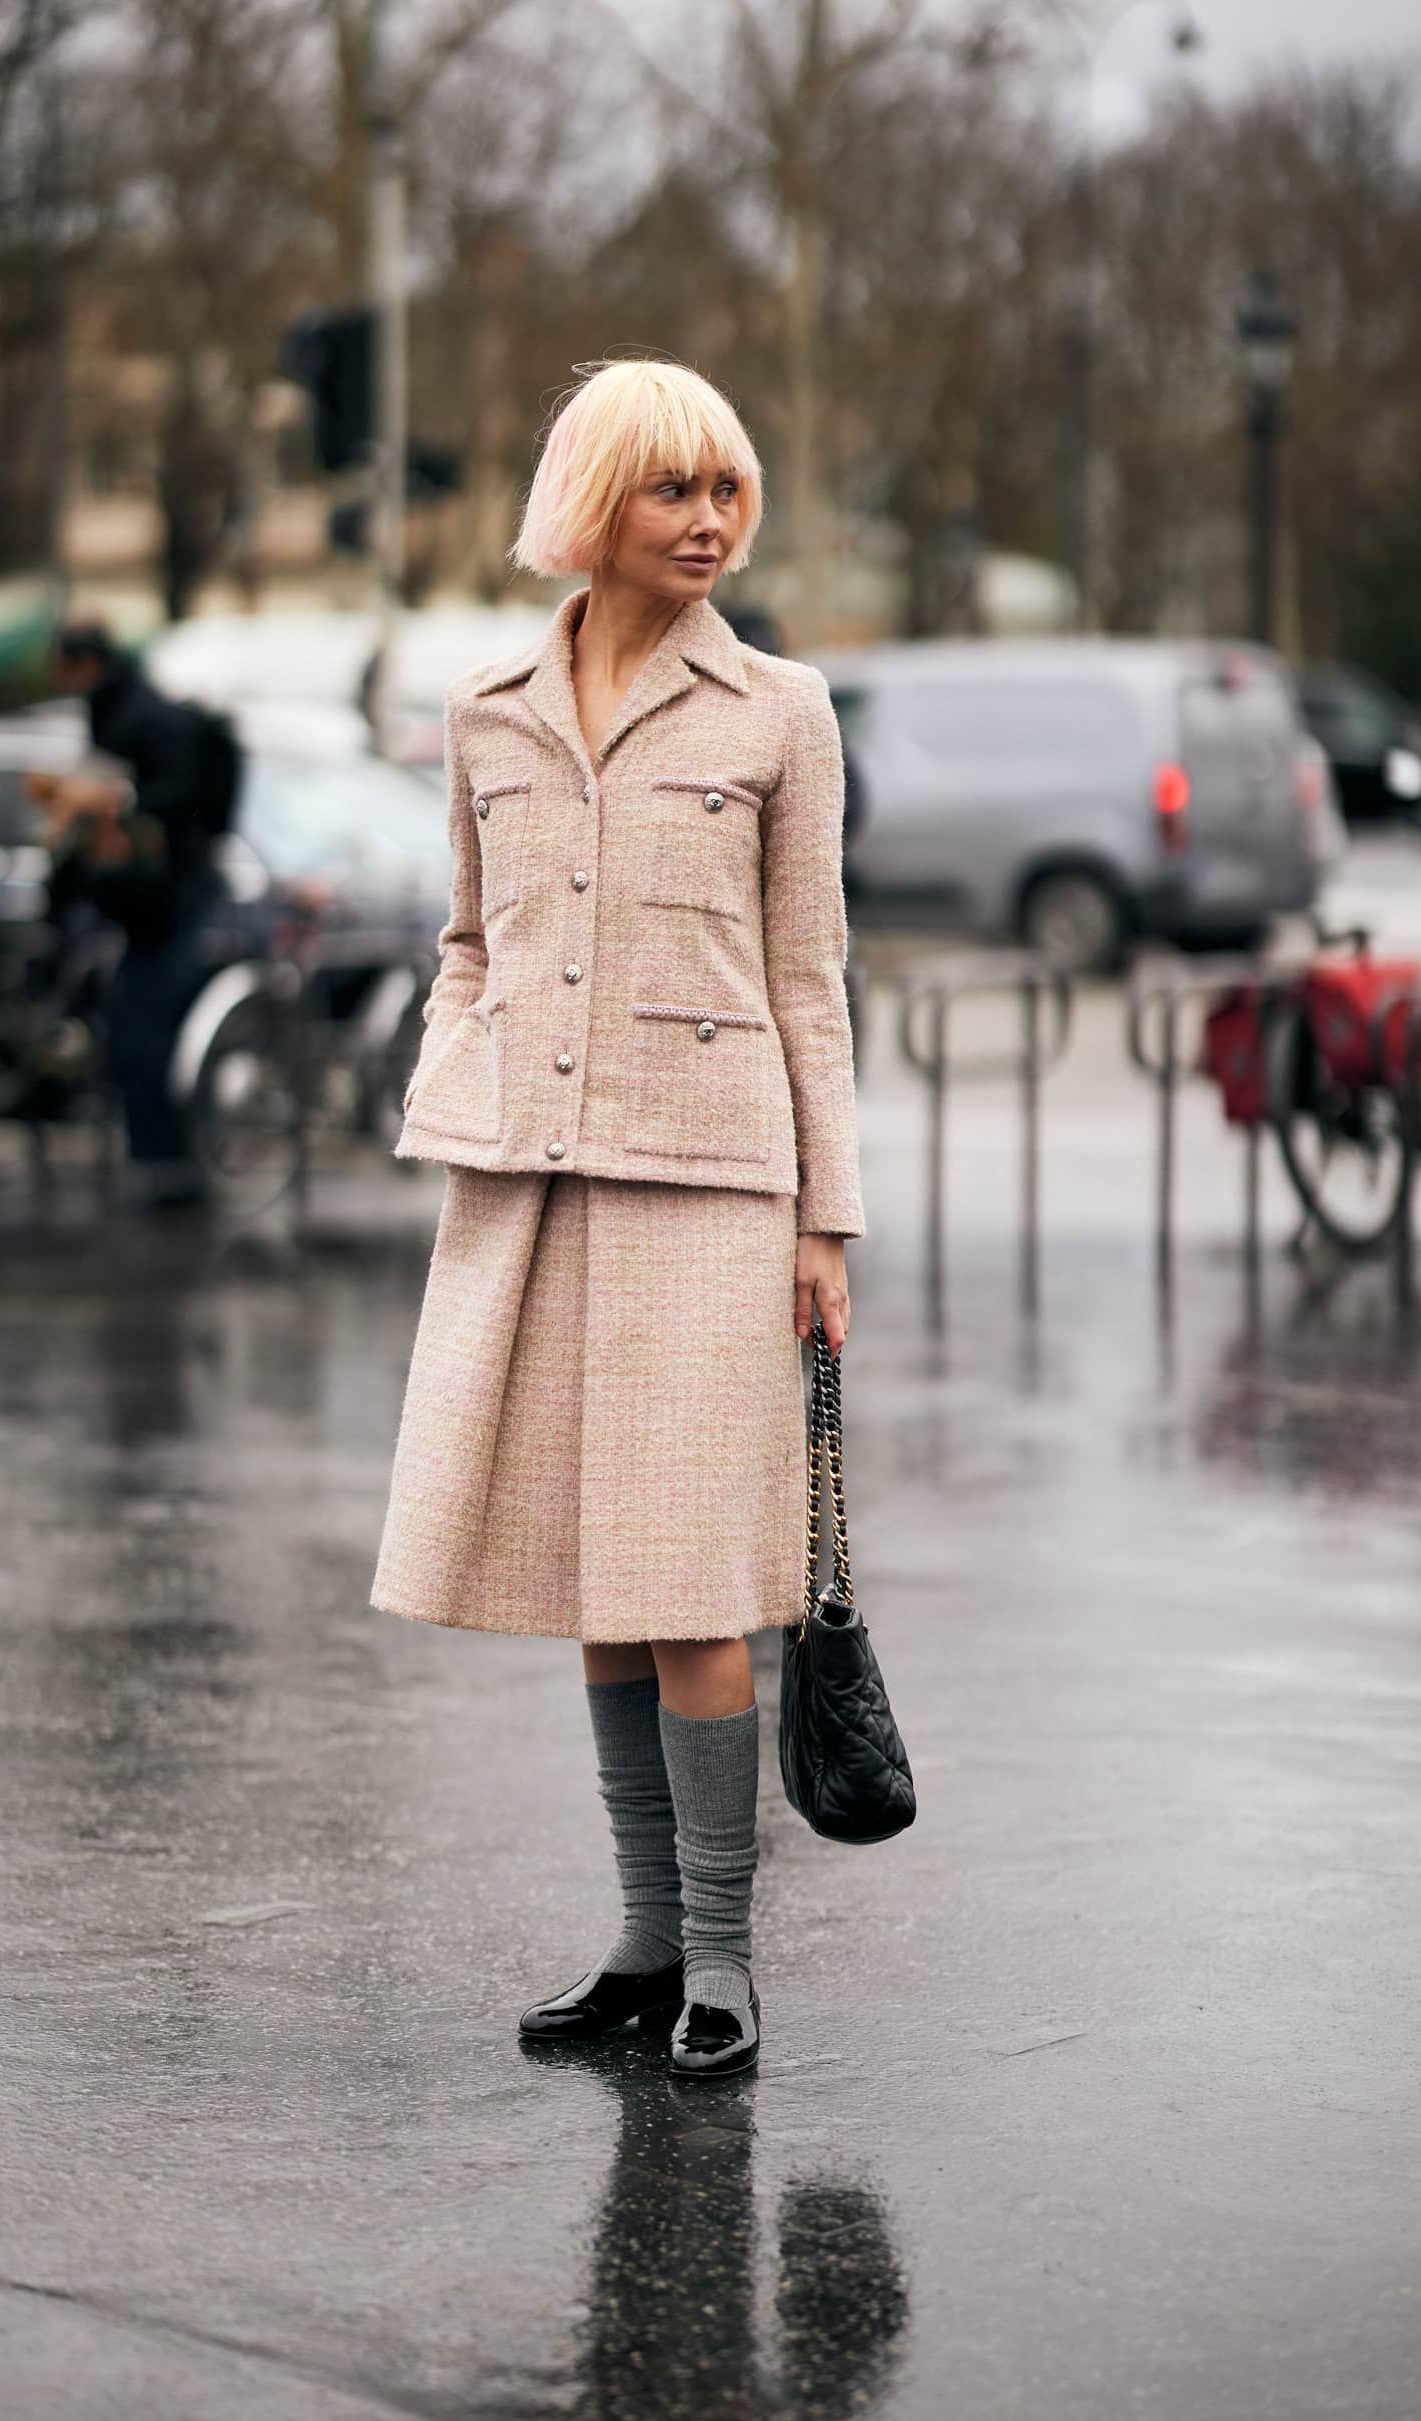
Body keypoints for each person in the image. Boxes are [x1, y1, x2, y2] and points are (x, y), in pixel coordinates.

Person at [370, 359, 863, 2080]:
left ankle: (723, 1961)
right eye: (674, 492)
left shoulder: (777, 710)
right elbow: (465, 945)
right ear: (595, 506)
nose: (712, 520)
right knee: (600, 1589)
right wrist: (462, 1085)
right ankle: (644, 1953)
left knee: (692, 1596)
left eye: (727, 488)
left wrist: (828, 1223)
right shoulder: (488, 706)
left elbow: (811, 981)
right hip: (531, 1186)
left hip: (712, 1195)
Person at [48, 622, 234, 1203]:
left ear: (83, 663)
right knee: (139, 1022)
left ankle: (167, 1164)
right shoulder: (124, 707)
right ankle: (162, 1159)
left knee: (144, 1025)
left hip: (167, 902)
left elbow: (174, 796)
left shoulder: (139, 716)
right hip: (156, 903)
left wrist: (115, 800)